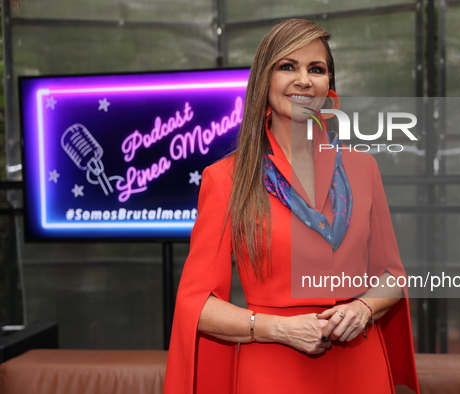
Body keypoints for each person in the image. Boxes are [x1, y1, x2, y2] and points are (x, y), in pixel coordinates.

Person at [163, 18, 419, 394]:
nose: (304, 80)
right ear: (264, 83)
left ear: (329, 87)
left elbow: (393, 277)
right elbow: (196, 305)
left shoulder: (364, 167)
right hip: (272, 369)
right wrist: (276, 328)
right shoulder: (226, 178)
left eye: (316, 69)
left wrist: (363, 308)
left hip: (361, 366)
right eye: (288, 66)